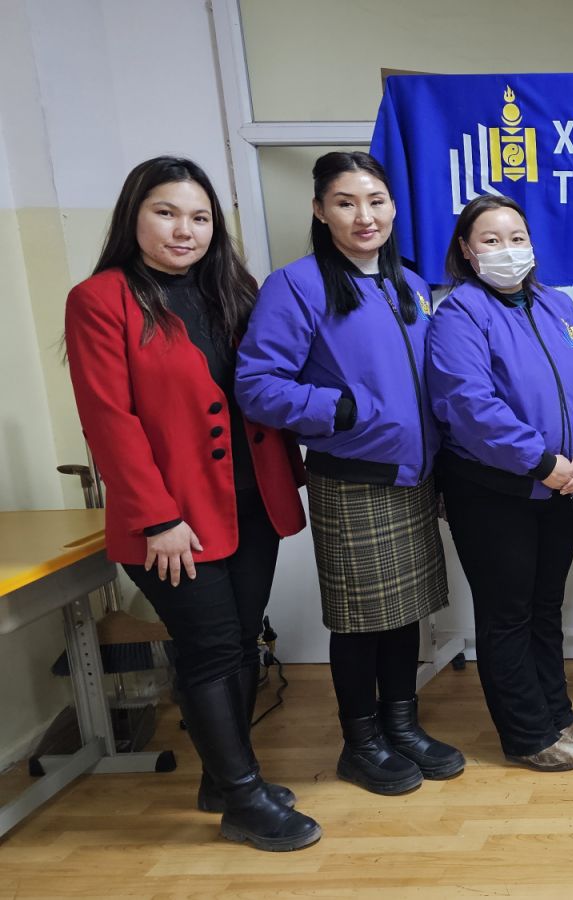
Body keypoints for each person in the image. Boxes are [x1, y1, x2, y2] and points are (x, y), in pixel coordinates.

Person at [64, 157, 320, 851]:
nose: (185, 229)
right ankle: (242, 799)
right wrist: (157, 517)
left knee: (239, 642)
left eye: (200, 217)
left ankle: (222, 777)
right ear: (134, 217)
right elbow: (108, 420)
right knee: (208, 651)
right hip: (172, 520)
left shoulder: (233, 291)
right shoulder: (102, 299)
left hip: (251, 502)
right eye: (167, 213)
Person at [236, 151, 465, 796]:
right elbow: (256, 384)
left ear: (394, 208)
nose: (364, 216)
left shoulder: (409, 286)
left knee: (404, 611)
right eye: (345, 202)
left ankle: (403, 726)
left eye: (376, 201)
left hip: (414, 476)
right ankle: (360, 741)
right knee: (360, 617)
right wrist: (336, 407)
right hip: (352, 476)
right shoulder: (296, 286)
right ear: (319, 210)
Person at [426, 196, 573, 771]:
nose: (507, 250)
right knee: (508, 612)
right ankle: (525, 732)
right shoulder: (459, 313)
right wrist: (540, 461)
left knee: (546, 607)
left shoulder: (556, 306)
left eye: (516, 237)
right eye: (490, 239)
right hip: (494, 490)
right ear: (465, 249)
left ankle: (555, 708)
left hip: (560, 484)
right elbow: (468, 404)